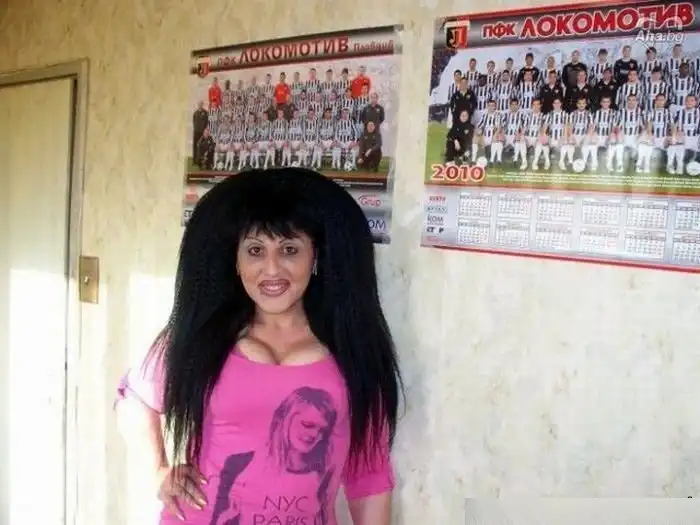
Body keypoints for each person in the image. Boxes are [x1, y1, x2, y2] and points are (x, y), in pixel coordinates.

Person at [115, 168, 402, 525]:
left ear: (315, 258)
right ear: (235, 262)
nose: (272, 269)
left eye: (289, 250)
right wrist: (158, 471)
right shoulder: (202, 339)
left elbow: (369, 476)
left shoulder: (353, 353)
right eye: (255, 250)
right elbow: (134, 397)